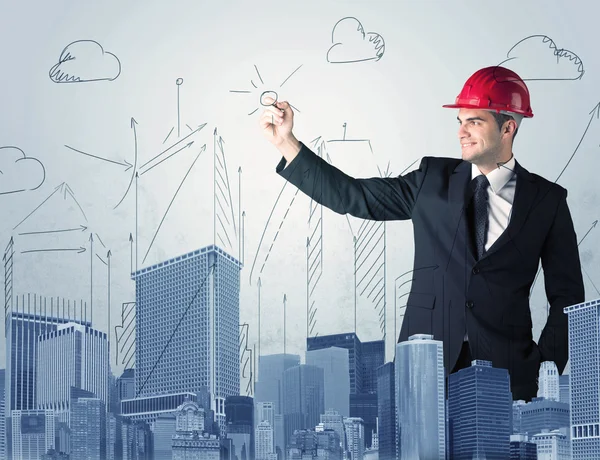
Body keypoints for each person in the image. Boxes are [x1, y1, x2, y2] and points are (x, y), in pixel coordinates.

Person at [259, 66, 585, 402]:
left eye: (475, 121)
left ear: (508, 127)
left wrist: (544, 368)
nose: (462, 132)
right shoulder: (431, 180)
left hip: (509, 377)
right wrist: (287, 142)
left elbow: (568, 298)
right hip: (425, 370)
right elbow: (351, 196)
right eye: (460, 121)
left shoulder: (547, 201)